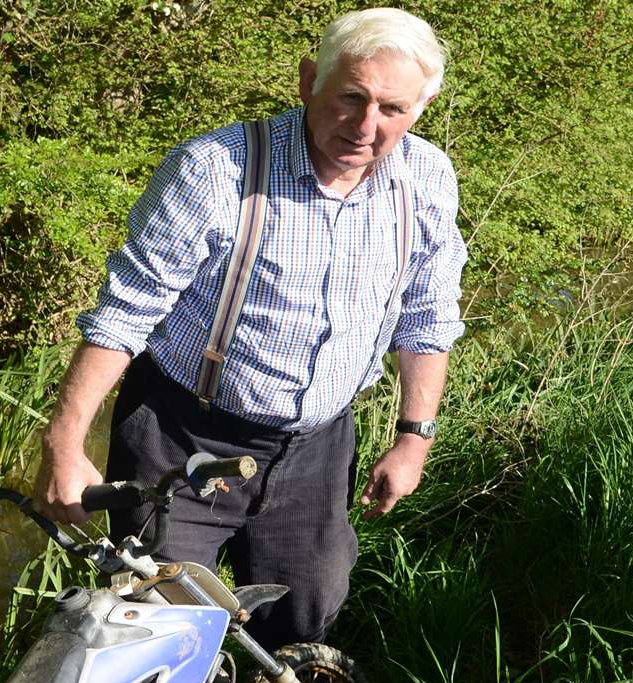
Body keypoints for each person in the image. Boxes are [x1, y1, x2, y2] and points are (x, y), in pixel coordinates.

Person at [33, 7, 467, 649]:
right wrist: (65, 443)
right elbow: (126, 311)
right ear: (308, 81)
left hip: (318, 448)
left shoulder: (425, 179)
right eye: (351, 97)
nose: (365, 125)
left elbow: (428, 313)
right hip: (182, 439)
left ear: (418, 112)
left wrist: (413, 440)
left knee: (302, 620)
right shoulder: (215, 170)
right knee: (157, 628)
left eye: (392, 109)